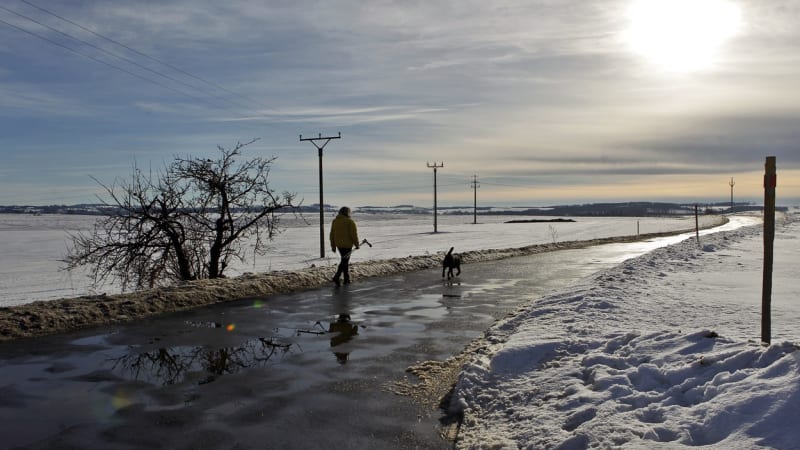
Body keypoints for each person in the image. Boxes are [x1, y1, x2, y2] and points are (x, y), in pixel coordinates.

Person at [329, 206, 359, 286]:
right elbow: (353, 235)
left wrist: (333, 246)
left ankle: (346, 278)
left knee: (344, 260)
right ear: (347, 213)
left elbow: (331, 234)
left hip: (339, 244)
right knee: (344, 261)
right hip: (347, 245)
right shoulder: (350, 222)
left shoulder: (335, 221)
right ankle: (337, 276)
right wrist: (357, 244)